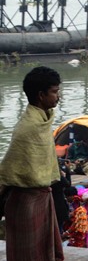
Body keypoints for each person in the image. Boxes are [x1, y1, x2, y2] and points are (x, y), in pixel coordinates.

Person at [0, 66, 65, 261]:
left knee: (46, 252)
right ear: (40, 95)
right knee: (27, 254)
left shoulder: (43, 121)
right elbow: (9, 168)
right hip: (25, 204)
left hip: (44, 198)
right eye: (54, 92)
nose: (58, 96)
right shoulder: (28, 128)